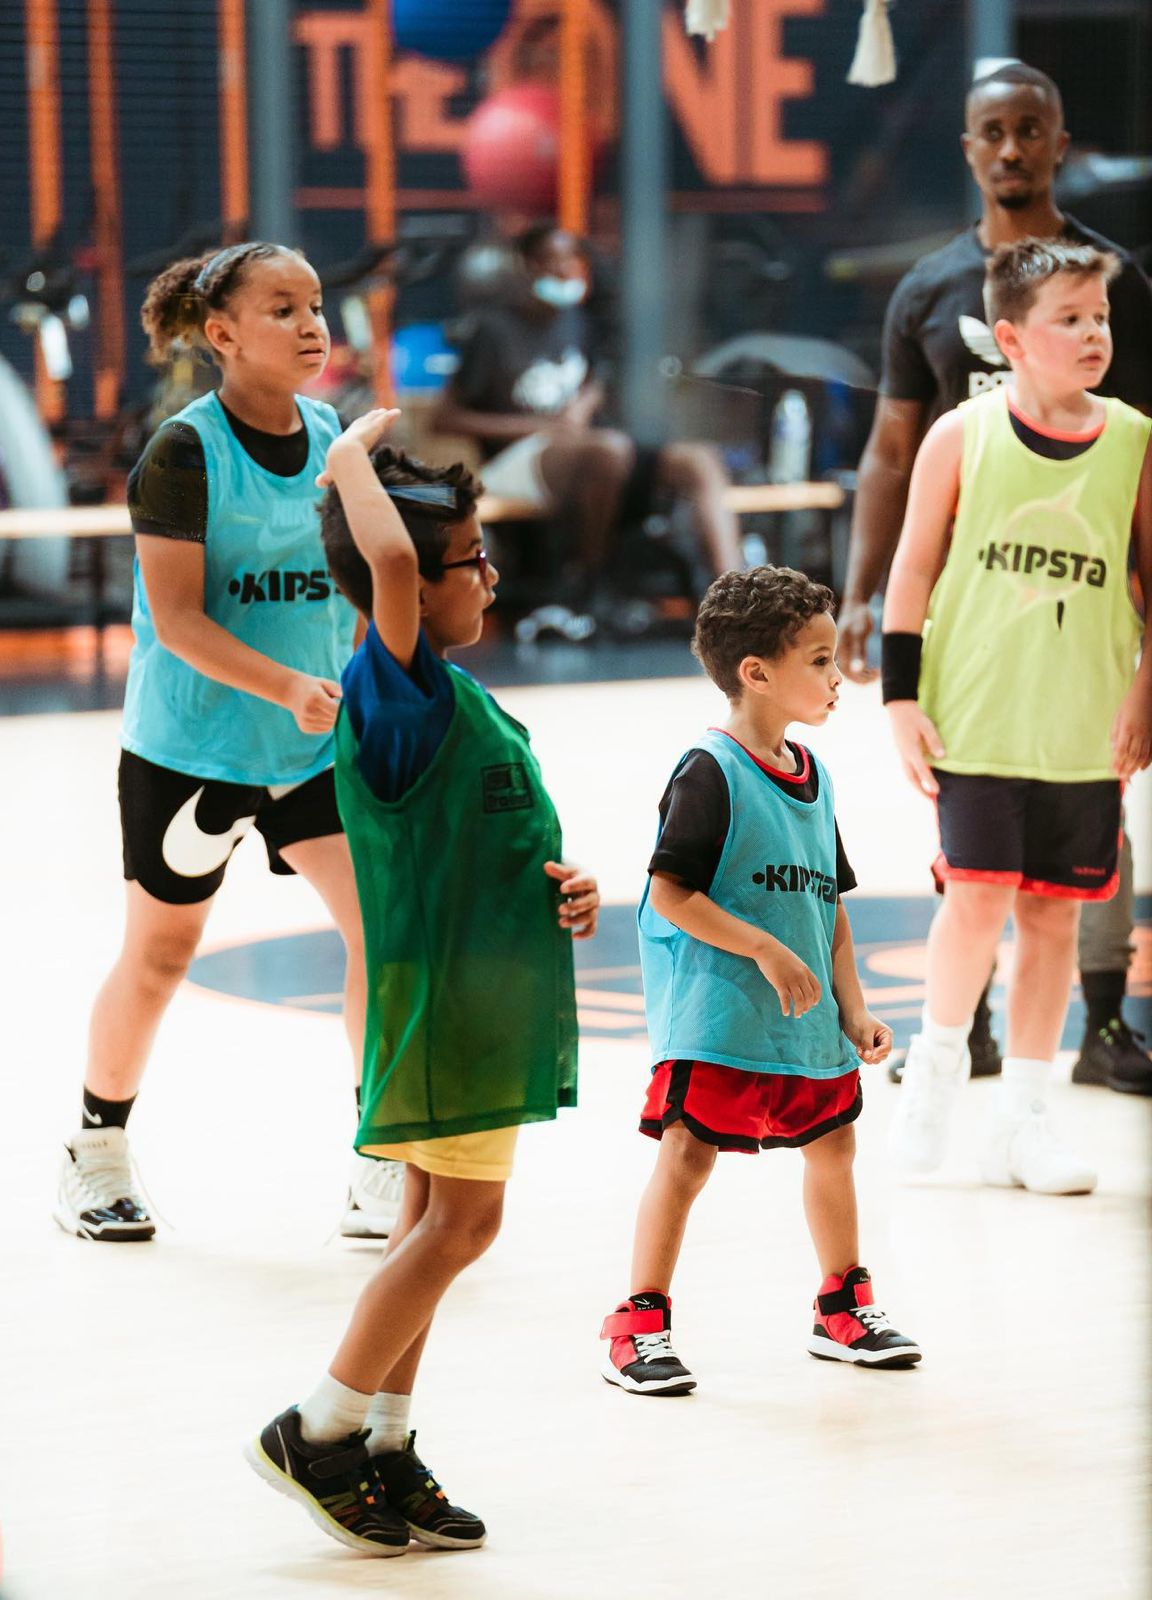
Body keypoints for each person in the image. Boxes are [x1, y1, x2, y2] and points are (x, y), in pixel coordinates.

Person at [246, 410, 598, 1555]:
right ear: (410, 584)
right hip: (447, 1005)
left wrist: (562, 891)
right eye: (473, 560)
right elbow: (389, 557)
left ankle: (387, 1443)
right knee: (465, 1225)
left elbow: (484, 840)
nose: (488, 572)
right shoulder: (390, 686)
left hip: (480, 996)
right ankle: (321, 1424)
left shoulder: (453, 692)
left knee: (425, 1224)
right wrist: (346, 451)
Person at [53, 241, 399, 1244]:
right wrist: (290, 682)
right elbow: (177, 618)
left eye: (315, 304)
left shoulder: (333, 436)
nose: (309, 324)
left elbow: (350, 585)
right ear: (221, 335)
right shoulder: (183, 452)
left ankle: (379, 1152)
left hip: (309, 751)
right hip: (192, 750)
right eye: (281, 307)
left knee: (383, 935)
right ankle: (95, 1151)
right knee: (160, 955)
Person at [839, 62, 1152, 1095]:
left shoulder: (1117, 284)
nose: (1011, 148)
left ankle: (1103, 1022)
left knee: (1086, 811)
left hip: (1084, 582)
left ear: (1060, 142)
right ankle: (958, 1031)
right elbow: (889, 451)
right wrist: (863, 593)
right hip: (972, 606)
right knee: (975, 846)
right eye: (992, 132)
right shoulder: (929, 289)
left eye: (1031, 130)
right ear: (969, 148)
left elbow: (1145, 453)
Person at [599, 567, 920, 1397]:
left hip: (805, 1021)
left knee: (835, 1144)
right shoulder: (709, 768)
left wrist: (854, 1007)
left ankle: (842, 1306)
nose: (837, 674)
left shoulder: (814, 775)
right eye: (820, 659)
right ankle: (638, 1323)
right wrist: (765, 951)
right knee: (686, 1153)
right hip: (723, 1014)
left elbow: (830, 908)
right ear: (757, 672)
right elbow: (671, 890)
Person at [883, 239, 1152, 1194]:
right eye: (1069, 319)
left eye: (1102, 318)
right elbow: (911, 568)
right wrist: (901, 698)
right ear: (1011, 338)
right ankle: (938, 1075)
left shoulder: (1133, 439)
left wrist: (1143, 690)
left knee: (1049, 921)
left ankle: (1027, 1119)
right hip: (977, 718)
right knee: (977, 903)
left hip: (1082, 729)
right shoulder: (962, 434)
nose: (1092, 335)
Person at [433, 223, 744, 604]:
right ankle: (588, 580)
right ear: (528, 267)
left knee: (700, 460)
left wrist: (585, 402)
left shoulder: (579, 322)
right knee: (608, 451)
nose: (566, 270)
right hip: (515, 461)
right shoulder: (492, 331)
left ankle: (737, 595)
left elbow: (594, 379)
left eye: (572, 260)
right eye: (554, 260)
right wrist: (541, 426)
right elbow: (444, 418)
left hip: (589, 449)